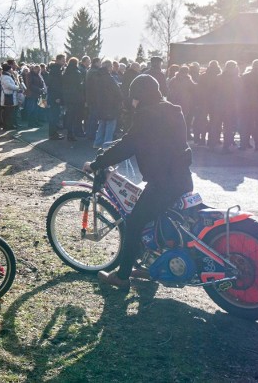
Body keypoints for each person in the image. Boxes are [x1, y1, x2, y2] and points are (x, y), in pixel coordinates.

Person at [83, 74, 193, 289]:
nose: (132, 102)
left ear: (139, 95)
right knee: (156, 219)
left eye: (133, 97)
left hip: (163, 184)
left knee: (134, 223)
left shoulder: (146, 114)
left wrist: (96, 164)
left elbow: (128, 145)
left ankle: (122, 277)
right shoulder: (173, 109)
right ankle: (150, 265)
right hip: (182, 178)